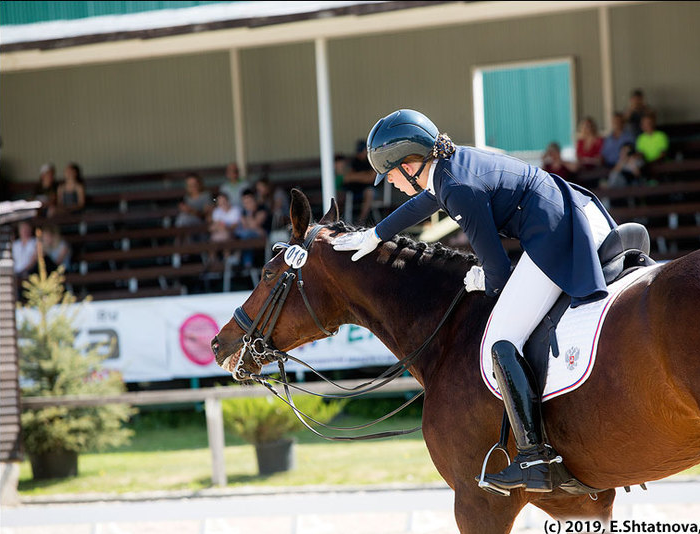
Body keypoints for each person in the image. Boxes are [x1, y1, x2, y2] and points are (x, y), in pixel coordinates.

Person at [333, 109, 617, 493]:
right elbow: (425, 202)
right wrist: (376, 234)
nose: (393, 185)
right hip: (574, 209)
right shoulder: (450, 163)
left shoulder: (457, 187)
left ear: (411, 164)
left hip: (558, 233)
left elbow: (497, 272)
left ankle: (536, 456)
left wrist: (483, 277)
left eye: (393, 175)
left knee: (501, 339)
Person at [342, 139, 377, 224]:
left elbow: (371, 178)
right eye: (359, 151)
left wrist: (357, 176)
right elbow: (347, 177)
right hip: (354, 189)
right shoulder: (355, 161)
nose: (360, 153)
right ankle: (343, 220)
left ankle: (361, 221)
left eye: (362, 151)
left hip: (370, 189)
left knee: (369, 192)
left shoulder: (372, 160)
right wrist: (364, 175)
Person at [234, 188, 269, 267]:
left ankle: (238, 255)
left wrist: (249, 213)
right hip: (249, 238)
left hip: (263, 237)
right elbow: (245, 227)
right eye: (245, 203)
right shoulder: (243, 212)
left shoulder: (262, 208)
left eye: (249, 202)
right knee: (243, 234)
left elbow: (255, 224)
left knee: (245, 234)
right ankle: (247, 262)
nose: (247, 205)